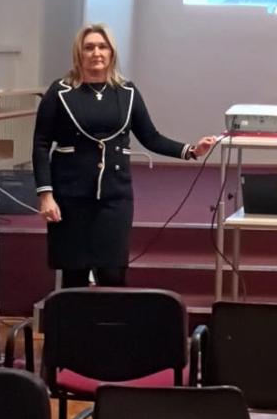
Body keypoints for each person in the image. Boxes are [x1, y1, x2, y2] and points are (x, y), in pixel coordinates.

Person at [32, 23, 217, 288]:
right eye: (89, 47)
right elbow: (40, 144)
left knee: (113, 273)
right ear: (78, 53)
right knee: (74, 275)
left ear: (112, 52)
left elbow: (151, 137)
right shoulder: (59, 92)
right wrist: (45, 195)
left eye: (102, 47)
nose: (96, 53)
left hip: (114, 196)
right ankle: (72, 317)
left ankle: (111, 317)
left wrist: (190, 150)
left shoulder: (127, 92)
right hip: (70, 196)